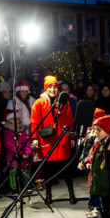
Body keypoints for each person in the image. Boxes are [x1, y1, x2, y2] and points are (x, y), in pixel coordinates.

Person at [31, 75, 76, 205]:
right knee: (48, 170)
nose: (52, 90)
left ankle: (71, 194)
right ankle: (49, 195)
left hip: (62, 140)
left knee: (67, 170)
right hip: (47, 141)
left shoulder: (64, 102)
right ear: (45, 88)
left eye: (55, 87)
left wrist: (72, 137)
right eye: (50, 87)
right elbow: (35, 122)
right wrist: (34, 138)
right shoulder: (39, 103)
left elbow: (70, 121)